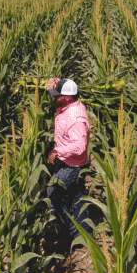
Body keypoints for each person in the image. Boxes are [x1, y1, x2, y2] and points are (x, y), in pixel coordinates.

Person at [45, 77, 91, 245]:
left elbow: (80, 146)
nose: (54, 98)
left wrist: (58, 152)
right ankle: (83, 235)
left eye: (58, 95)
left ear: (69, 96)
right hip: (73, 161)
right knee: (77, 198)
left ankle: (70, 231)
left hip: (74, 164)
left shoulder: (75, 117)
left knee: (52, 193)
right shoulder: (67, 106)